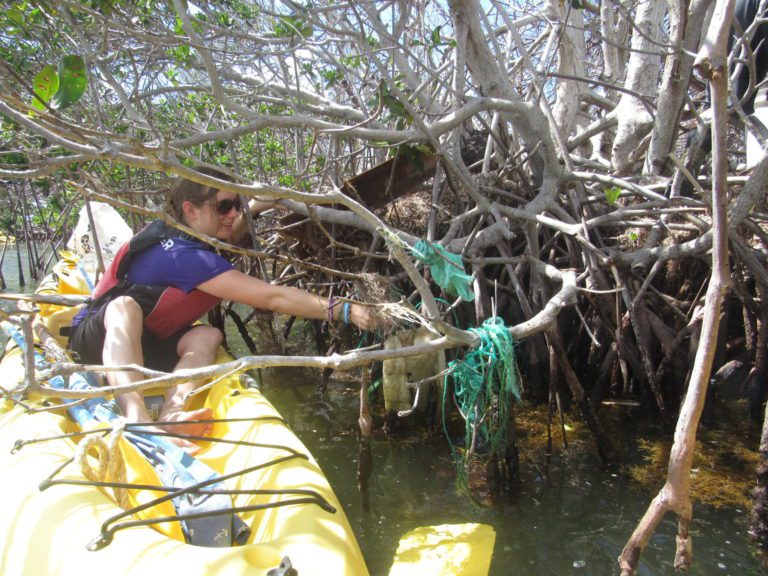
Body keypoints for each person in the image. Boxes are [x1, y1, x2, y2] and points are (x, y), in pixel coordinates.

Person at [69, 167, 373, 453]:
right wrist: (344, 310)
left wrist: (256, 205)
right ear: (190, 210)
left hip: (148, 345)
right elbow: (272, 298)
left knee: (208, 335)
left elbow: (231, 232)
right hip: (97, 344)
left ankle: (171, 413)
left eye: (236, 205)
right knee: (124, 306)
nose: (234, 214)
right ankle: (139, 421)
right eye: (224, 207)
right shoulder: (180, 256)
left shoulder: (194, 234)